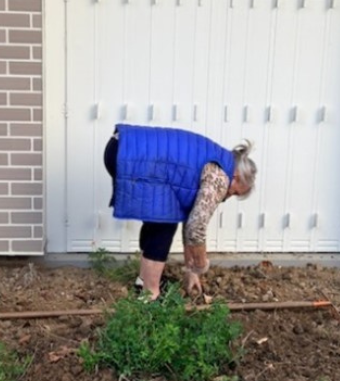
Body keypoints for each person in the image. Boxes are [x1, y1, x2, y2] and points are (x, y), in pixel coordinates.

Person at [103, 124, 257, 300]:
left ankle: (143, 282)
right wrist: (200, 264)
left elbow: (191, 219)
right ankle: (149, 296)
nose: (228, 197)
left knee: (161, 217)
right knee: (163, 224)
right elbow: (196, 227)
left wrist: (191, 272)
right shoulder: (220, 176)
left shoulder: (219, 159)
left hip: (122, 145)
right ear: (236, 176)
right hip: (127, 153)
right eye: (235, 192)